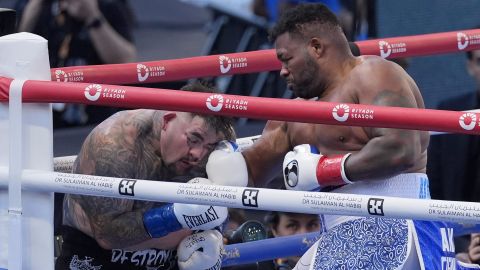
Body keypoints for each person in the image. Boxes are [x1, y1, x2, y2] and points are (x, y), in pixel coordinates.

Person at [205, 3, 468, 269]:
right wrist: (217, 163)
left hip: (396, 221)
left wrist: (324, 170)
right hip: (338, 235)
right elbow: (250, 172)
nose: (282, 71)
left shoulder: (372, 73)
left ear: (316, 47)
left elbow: (401, 148)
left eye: (287, 59)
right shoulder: (293, 115)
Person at [55, 82, 236, 270]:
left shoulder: (219, 143)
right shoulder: (115, 144)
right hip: (97, 256)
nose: (198, 154)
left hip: (168, 259)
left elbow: (221, 206)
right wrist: (173, 218)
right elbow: (107, 235)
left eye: (209, 146)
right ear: (167, 121)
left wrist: (214, 233)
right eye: (194, 139)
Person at [16, 0, 137, 127]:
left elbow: (126, 59)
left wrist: (92, 17)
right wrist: (35, 7)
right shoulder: (39, 6)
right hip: (44, 114)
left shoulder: (107, 6)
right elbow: (16, 52)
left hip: (95, 117)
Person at [427, 47, 480, 253]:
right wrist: (458, 250)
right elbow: (432, 194)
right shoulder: (447, 114)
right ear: (470, 67)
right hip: (456, 246)